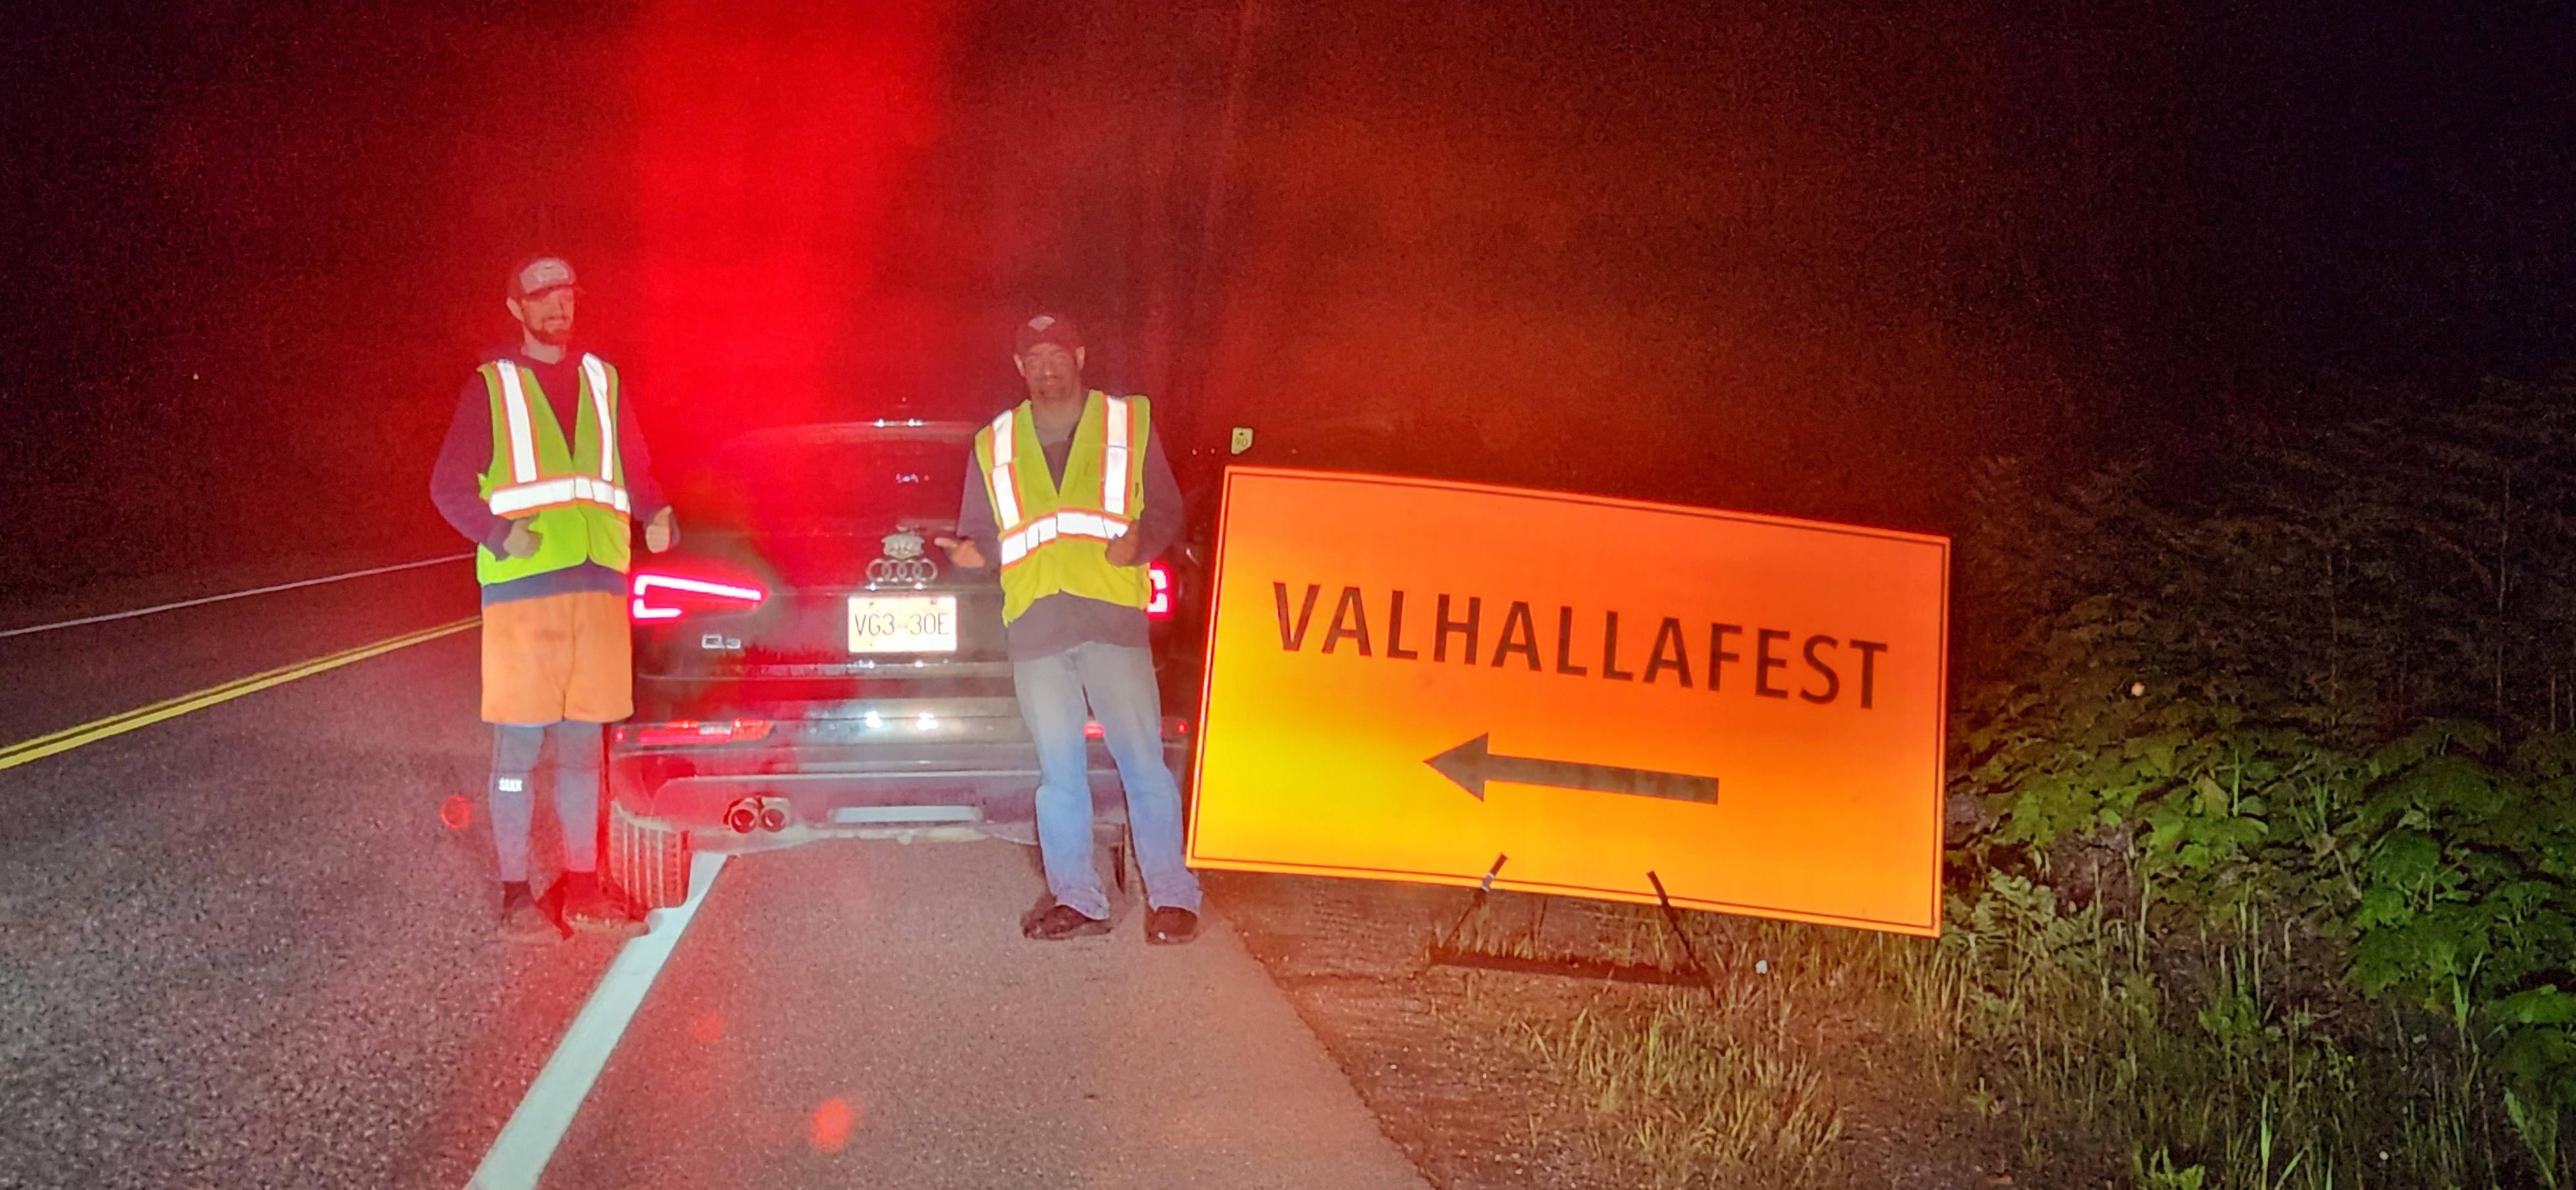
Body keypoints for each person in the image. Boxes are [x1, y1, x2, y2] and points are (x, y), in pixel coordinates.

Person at [429, 255, 676, 940]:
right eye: (542, 296)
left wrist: (655, 512)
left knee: (581, 753)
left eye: (567, 293)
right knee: (518, 753)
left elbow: (634, 469)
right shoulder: (493, 387)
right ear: (517, 309)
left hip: (598, 587)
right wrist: (496, 534)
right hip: (525, 594)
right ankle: (517, 899)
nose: (559, 306)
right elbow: (449, 486)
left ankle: (587, 891)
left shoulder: (604, 379)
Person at [938, 313, 1203, 944]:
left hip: (1110, 618)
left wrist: (1141, 543)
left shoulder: (1126, 423)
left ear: (1081, 355)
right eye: (1034, 358)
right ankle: (1079, 901)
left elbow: (1165, 507)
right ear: (1019, 368)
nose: (1047, 367)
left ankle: (1173, 898)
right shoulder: (993, 443)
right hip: (1036, 628)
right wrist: (974, 554)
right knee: (1060, 775)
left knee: (1143, 764)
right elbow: (983, 531)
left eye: (1058, 354)